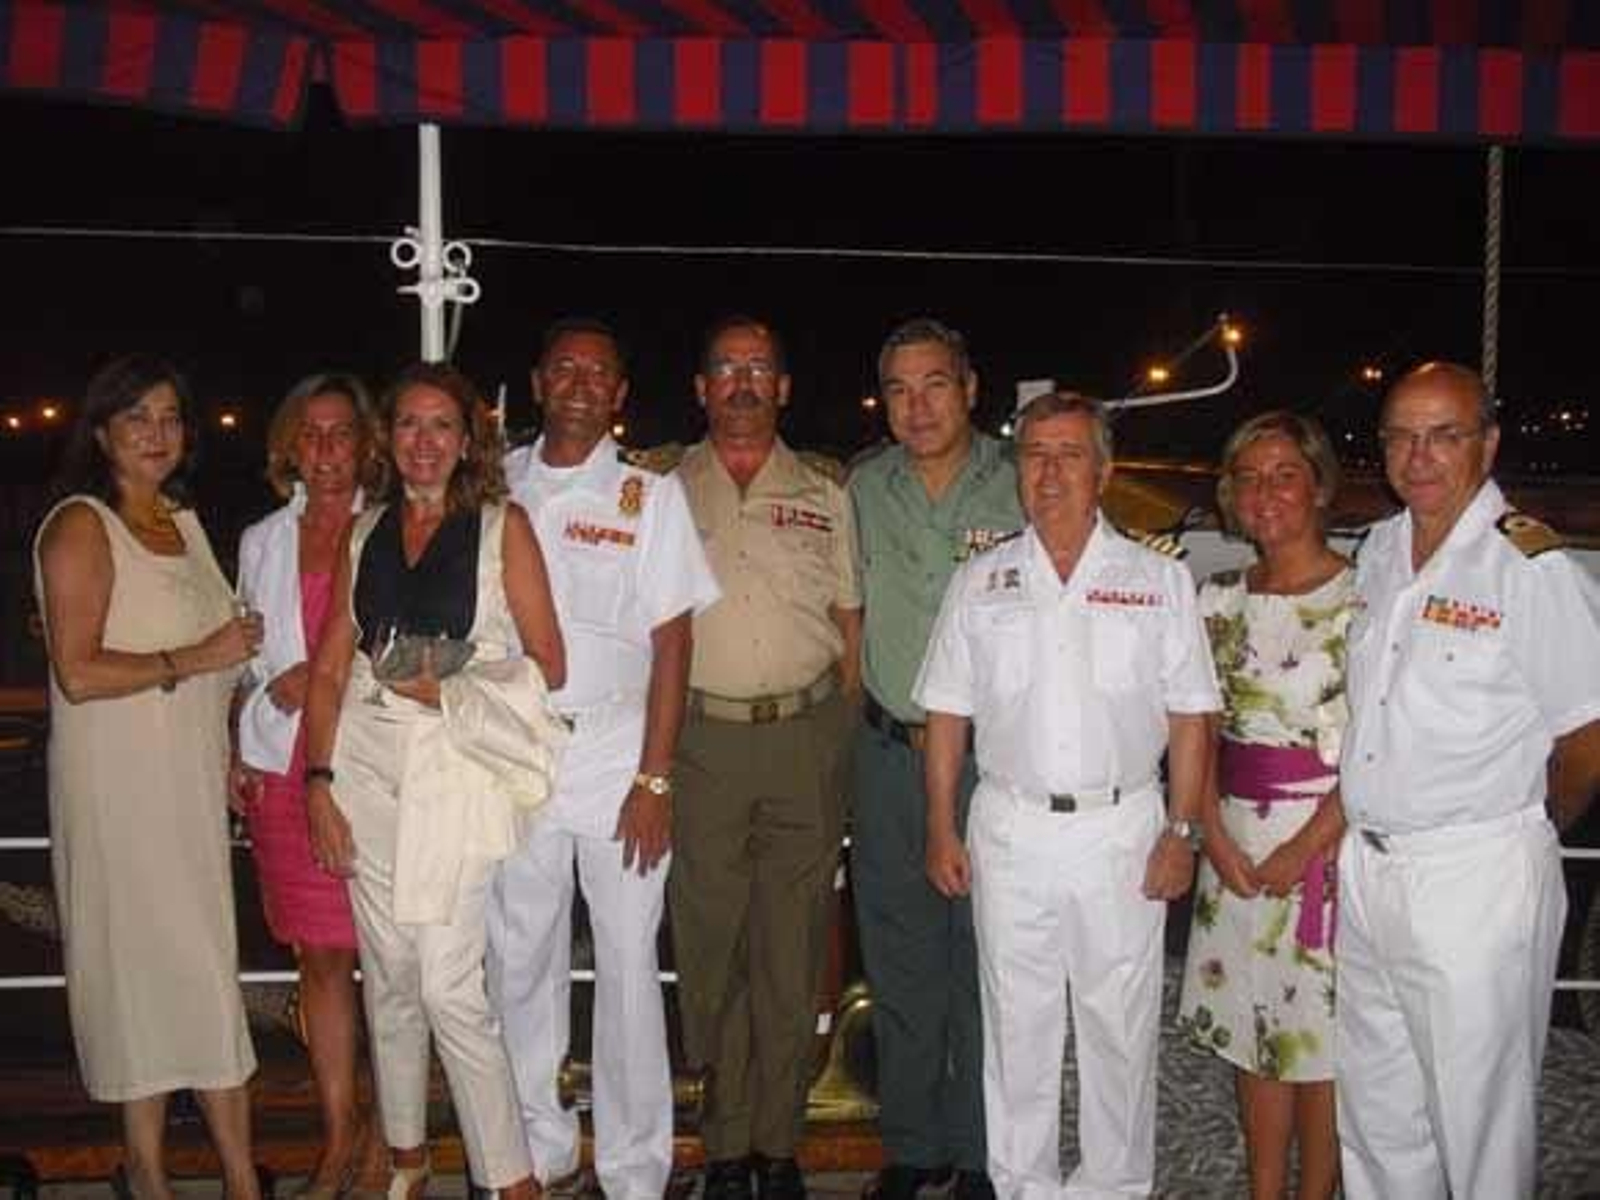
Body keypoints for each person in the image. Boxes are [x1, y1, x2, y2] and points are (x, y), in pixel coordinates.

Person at [916, 391, 1219, 1200]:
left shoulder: (1158, 579)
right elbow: (946, 713)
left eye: (1069, 453)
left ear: (1105, 469)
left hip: (1122, 829)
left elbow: (1193, 715)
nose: (1048, 472)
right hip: (1009, 828)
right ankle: (1024, 1187)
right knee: (1017, 1031)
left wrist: (1182, 833)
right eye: (1034, 454)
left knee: (1119, 1030)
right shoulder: (983, 579)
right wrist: (939, 827)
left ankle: (1116, 1188)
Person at [301, 362, 567, 1200]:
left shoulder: (502, 527)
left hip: (453, 766)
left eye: (441, 426)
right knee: (388, 974)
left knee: (450, 984)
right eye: (408, 424)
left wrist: (448, 684)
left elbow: (549, 662)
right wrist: (317, 781)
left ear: (468, 439)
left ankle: (511, 1177)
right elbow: (330, 668)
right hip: (368, 771)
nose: (424, 442)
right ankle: (407, 1160)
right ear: (389, 438)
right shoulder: (362, 530)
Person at [1336, 361, 1600, 1200]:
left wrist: (1524, 829)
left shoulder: (1531, 568)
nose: (1419, 456)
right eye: (1401, 436)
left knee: (1478, 1122)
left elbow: (1587, 737)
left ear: (1486, 444)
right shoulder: (1380, 550)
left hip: (1475, 872)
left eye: (1443, 434)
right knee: (1378, 1114)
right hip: (1371, 866)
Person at [491, 319, 720, 1200]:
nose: (582, 383)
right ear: (540, 381)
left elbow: (673, 643)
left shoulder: (646, 498)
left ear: (620, 394)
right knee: (521, 957)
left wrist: (655, 777)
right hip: (513, 751)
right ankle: (538, 1155)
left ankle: (631, 1169)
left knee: (626, 961)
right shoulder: (495, 485)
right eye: (566, 369)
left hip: (618, 750)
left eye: (600, 372)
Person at [33, 354, 265, 1200]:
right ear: (101, 431)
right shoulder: (81, 525)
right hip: (117, 794)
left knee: (206, 970)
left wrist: (232, 725)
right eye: (137, 418)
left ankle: (242, 1179)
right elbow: (78, 671)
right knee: (132, 977)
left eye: (170, 417)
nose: (156, 434)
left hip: (189, 788)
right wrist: (198, 654)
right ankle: (149, 1174)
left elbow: (213, 662)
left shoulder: (187, 523)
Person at [670, 316, 863, 1200]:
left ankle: (776, 1145)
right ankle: (724, 1138)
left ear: (783, 388)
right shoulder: (663, 490)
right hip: (701, 741)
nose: (743, 382)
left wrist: (840, 742)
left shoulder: (826, 491)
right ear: (702, 388)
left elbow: (851, 629)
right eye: (726, 369)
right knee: (713, 947)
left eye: (760, 369)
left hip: (803, 737)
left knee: (792, 948)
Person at [846, 319, 1019, 1200]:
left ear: (971, 386)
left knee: (986, 958)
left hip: (995, 763)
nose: (918, 406)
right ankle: (915, 1148)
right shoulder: (862, 488)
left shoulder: (1025, 485)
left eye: (936, 384)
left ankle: (986, 1152)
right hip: (887, 756)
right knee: (902, 955)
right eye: (900, 388)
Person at [1176, 411, 1352, 1200]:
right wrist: (1211, 836)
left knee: (1321, 1041)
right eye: (1247, 476)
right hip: (1234, 841)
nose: (1265, 491)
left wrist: (1304, 847)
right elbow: (1197, 736)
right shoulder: (1214, 603)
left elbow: (1381, 750)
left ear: (1318, 485)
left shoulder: (1364, 601)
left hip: (1326, 846)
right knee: (1253, 1032)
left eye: (1284, 473)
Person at [230, 372, 386, 1197]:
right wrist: (238, 732)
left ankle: (391, 1138)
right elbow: (246, 656)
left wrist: (320, 677)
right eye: (311, 434)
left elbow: (409, 647)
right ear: (289, 445)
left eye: (341, 434)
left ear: (366, 445)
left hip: (365, 760)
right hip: (280, 761)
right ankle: (340, 1135)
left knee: (386, 960)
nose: (326, 450)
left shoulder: (395, 526)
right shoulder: (260, 538)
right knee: (319, 960)